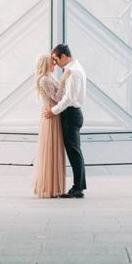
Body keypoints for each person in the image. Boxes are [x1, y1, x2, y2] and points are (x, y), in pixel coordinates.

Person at [45, 43, 87, 198]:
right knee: (75, 151)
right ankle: (78, 187)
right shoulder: (75, 69)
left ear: (64, 56)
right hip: (73, 113)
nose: (55, 63)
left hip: (71, 114)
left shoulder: (73, 72)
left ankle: (78, 188)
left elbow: (69, 98)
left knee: (74, 152)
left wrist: (52, 111)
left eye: (56, 59)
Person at [32, 54, 66, 198]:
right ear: (46, 64)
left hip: (54, 113)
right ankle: (49, 186)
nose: (54, 64)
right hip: (50, 116)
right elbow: (57, 97)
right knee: (51, 149)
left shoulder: (49, 77)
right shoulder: (44, 80)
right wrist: (64, 80)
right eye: (52, 62)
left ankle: (53, 186)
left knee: (54, 149)